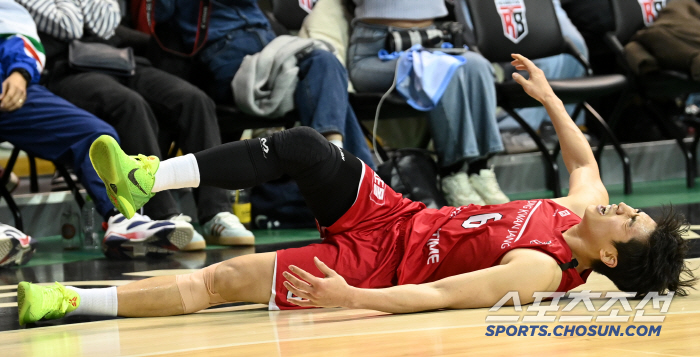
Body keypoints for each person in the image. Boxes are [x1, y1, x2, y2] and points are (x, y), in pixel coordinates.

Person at [16, 55, 693, 324]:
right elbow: (582, 164)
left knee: (218, 284)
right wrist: (547, 97)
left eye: (628, 221)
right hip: (397, 215)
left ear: (608, 257)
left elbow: (434, 294)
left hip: (372, 265)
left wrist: (351, 296)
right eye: (632, 206)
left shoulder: (537, 266)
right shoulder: (579, 208)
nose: (622, 206)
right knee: (310, 146)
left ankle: (68, 300)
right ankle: (146, 176)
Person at [16, 0, 254, 251]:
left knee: (194, 101)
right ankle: (164, 217)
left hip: (119, 60)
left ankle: (216, 212)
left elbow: (107, 21)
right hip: (66, 70)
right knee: (129, 105)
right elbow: (69, 25)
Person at [143, 0, 375, 168]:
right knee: (323, 85)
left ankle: (333, 157)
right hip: (224, 55)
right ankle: (359, 176)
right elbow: (158, 14)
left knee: (324, 59)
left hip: (269, 44)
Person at [347, 0, 509, 206]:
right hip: (376, 51)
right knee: (440, 71)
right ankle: (453, 173)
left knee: (478, 66)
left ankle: (481, 169)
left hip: (431, 40)